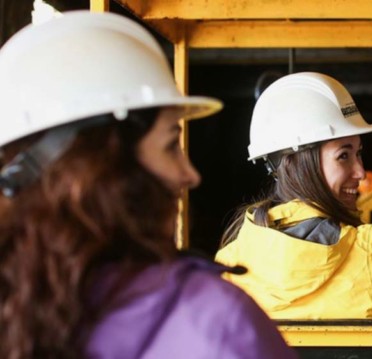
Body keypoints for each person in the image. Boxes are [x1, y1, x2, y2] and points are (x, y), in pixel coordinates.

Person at [0, 11, 295, 359]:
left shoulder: (15, 309)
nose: (190, 175)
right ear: (101, 166)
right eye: (171, 144)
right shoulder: (216, 323)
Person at [215, 72, 372, 320]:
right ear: (297, 164)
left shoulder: (231, 262)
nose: (361, 173)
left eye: (358, 153)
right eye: (343, 156)